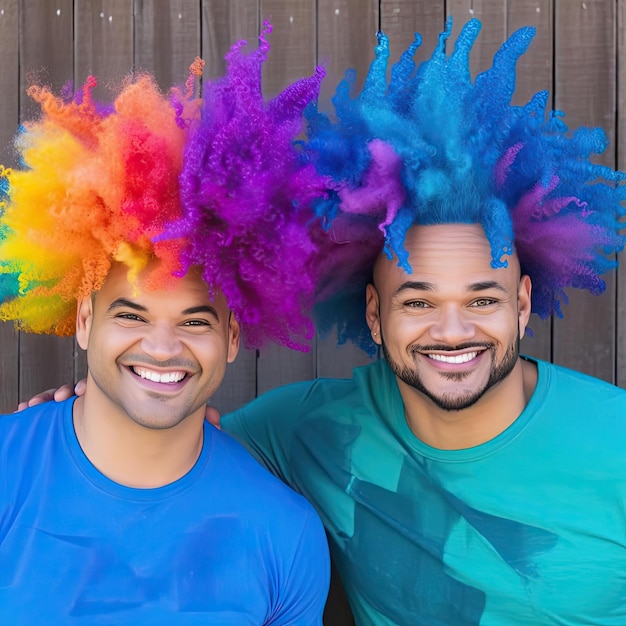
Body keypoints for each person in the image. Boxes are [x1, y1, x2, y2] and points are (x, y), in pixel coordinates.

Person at [26, 18, 626, 625]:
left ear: (522, 303)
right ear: (373, 311)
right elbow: (160, 429)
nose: (452, 331)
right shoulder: (305, 430)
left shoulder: (615, 443)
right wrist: (78, 405)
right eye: (417, 300)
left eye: (482, 300)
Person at [0, 25, 330, 624]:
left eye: (195, 320)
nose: (161, 346)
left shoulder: (286, 536)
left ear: (233, 337)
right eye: (131, 314)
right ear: (82, 318)